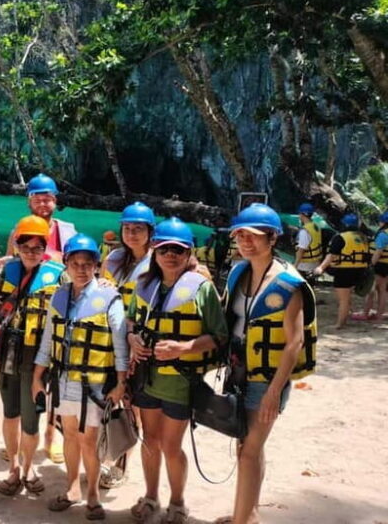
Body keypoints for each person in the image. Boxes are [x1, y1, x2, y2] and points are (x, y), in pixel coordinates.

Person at [218, 203, 316, 524]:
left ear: (272, 238)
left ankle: (241, 519)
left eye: (255, 236)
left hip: (267, 378)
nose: (247, 241)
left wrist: (275, 391)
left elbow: (294, 342)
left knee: (248, 450)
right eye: (241, 235)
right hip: (238, 371)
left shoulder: (289, 283)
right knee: (247, 447)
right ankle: (248, 514)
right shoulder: (238, 272)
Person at [127, 217, 227, 524]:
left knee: (171, 445)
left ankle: (178, 502)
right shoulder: (144, 284)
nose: (171, 255)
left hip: (180, 381)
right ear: (155, 251)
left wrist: (182, 348)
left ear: (188, 254)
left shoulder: (202, 289)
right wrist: (132, 339)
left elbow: (219, 336)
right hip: (146, 376)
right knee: (149, 439)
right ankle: (151, 496)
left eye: (178, 250)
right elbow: (132, 321)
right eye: (165, 248)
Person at [31, 233, 128, 521]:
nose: (82, 268)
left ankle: (94, 495)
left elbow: (120, 344)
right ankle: (72, 487)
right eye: (76, 263)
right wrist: (38, 375)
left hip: (95, 383)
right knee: (70, 435)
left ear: (97, 265)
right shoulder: (59, 296)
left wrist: (121, 383)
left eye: (88, 263)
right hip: (64, 381)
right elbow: (48, 339)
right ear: (67, 264)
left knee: (90, 439)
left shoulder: (110, 297)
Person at [0, 216, 65, 497]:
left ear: (45, 247)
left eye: (37, 247)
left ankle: (28, 467)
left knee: (31, 417)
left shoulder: (58, 275)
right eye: (25, 245)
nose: (31, 252)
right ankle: (14, 467)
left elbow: (74, 304)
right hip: (6, 351)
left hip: (36, 356)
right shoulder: (6, 271)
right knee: (10, 412)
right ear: (17, 245)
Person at [5, 172, 76, 463]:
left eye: (47, 197)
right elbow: (12, 267)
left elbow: (77, 266)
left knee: (52, 380)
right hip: (26, 314)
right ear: (29, 200)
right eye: (37, 196)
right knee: (23, 379)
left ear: (55, 201)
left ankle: (50, 436)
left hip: (55, 309)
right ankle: (21, 435)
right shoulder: (18, 230)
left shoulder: (66, 230)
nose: (43, 202)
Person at [98, 201, 155, 489]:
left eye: (138, 229)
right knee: (106, 398)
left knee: (131, 405)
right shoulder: (114, 259)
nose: (132, 233)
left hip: (136, 342)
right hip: (108, 340)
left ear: (149, 232)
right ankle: (104, 454)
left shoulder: (157, 262)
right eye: (128, 228)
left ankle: (121, 463)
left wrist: (135, 337)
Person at [313, 213, 370, 329]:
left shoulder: (341, 237)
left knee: (343, 299)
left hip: (344, 271)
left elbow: (331, 255)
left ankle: (339, 324)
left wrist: (321, 268)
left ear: (344, 224)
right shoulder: (362, 237)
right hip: (360, 270)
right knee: (348, 297)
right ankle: (345, 317)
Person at [5, 173, 77, 264]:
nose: (42, 204)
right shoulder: (19, 231)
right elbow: (9, 260)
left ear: (54, 202)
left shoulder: (69, 232)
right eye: (37, 201)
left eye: (46, 200)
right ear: (29, 203)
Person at [364, 211, 388, 320]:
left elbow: (378, 252)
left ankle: (366, 313)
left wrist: (370, 265)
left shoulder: (383, 235)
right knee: (383, 290)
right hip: (386, 265)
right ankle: (380, 315)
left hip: (380, 265)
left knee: (371, 290)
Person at [294, 203, 323, 283]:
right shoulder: (315, 226)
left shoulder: (305, 230)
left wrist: (295, 265)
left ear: (302, 215)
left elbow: (301, 249)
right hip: (315, 263)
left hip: (304, 266)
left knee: (303, 289)